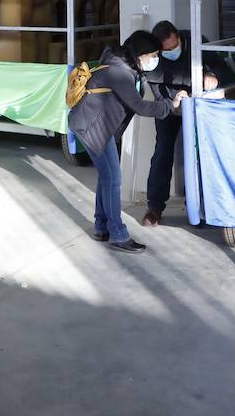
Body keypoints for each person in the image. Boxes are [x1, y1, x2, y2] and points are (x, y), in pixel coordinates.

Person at [68, 31, 187, 253]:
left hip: (97, 126)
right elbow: (140, 106)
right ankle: (118, 235)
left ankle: (101, 227)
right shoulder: (118, 72)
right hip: (94, 128)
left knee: (107, 178)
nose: (155, 59)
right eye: (152, 55)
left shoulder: (125, 65)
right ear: (139, 54)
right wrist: (172, 105)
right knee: (113, 179)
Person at [142, 20, 235, 226]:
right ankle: (155, 206)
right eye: (165, 50)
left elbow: (221, 65)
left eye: (173, 47)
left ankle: (202, 205)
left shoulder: (195, 41)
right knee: (163, 152)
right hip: (170, 107)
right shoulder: (152, 56)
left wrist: (213, 75)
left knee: (201, 153)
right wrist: (175, 98)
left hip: (197, 103)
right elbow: (158, 93)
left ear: (178, 37)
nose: (170, 52)